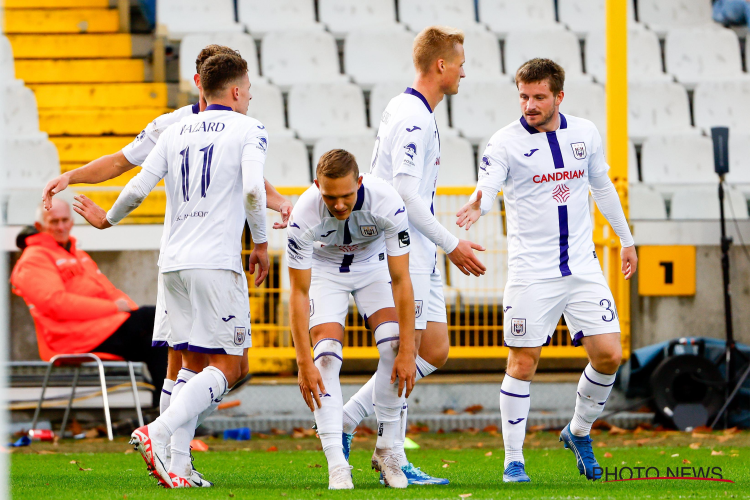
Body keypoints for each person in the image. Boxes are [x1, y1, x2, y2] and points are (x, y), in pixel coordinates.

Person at [42, 44, 292, 423]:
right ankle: (163, 438)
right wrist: (72, 176)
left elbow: (251, 181)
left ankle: (174, 453)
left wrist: (282, 203)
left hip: (177, 260)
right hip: (205, 259)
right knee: (190, 362)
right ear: (204, 81)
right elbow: (118, 162)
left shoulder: (203, 129)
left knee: (187, 363)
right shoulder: (174, 125)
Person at [77, 52, 269, 489]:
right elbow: (255, 190)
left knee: (189, 364)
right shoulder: (249, 129)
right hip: (215, 263)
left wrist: (107, 219)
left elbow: (139, 184)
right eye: (249, 90)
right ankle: (156, 433)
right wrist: (259, 244)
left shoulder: (176, 129)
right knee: (232, 365)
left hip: (173, 266)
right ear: (236, 91)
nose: (250, 98)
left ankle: (178, 466)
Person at [456, 58, 638, 483]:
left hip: (583, 267)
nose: (529, 105)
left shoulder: (585, 132)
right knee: (523, 361)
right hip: (531, 273)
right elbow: (490, 184)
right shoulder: (504, 142)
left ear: (559, 96)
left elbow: (602, 187)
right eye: (523, 96)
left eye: (539, 97)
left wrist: (627, 240)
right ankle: (513, 460)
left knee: (610, 355)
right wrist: (478, 202)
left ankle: (578, 431)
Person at [341, 25, 485, 486]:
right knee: (403, 351)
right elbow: (403, 189)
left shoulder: (412, 109)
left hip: (420, 246)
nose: (464, 70)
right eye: (460, 62)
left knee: (434, 348)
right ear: (441, 65)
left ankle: (348, 418)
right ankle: (391, 456)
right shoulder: (414, 116)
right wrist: (452, 243)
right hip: (406, 247)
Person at [288, 150, 416, 490]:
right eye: (331, 197)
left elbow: (402, 280)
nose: (340, 205)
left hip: (373, 266)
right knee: (325, 356)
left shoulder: (387, 201)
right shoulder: (303, 214)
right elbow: (298, 294)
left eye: (347, 195)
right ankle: (337, 466)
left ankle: (388, 451)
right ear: (317, 186)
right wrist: (303, 361)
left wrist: (408, 351)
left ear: (360, 182)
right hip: (325, 270)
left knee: (393, 343)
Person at [10, 199, 167, 405]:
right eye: (53, 221)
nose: (60, 226)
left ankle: (165, 416)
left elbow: (110, 291)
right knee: (156, 317)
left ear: (72, 221)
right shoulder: (33, 259)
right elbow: (56, 304)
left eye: (64, 220)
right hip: (71, 339)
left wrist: (129, 311)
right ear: (39, 226)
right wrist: (115, 309)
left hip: (102, 329)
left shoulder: (79, 255)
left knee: (157, 344)